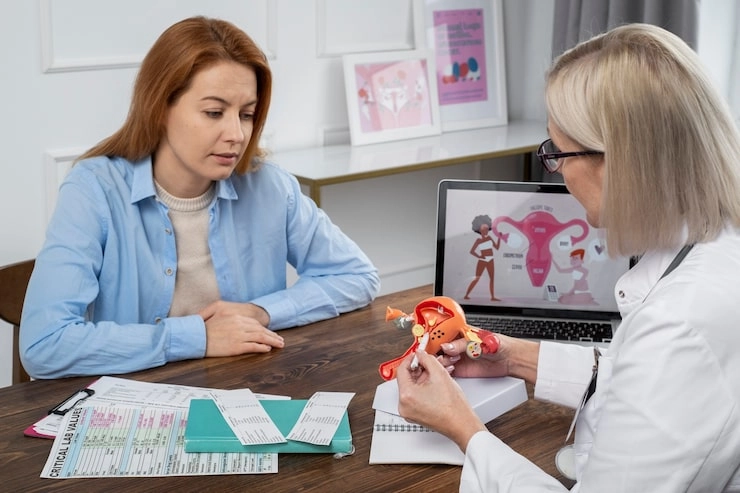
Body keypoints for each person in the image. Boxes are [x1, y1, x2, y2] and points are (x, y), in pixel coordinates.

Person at [395, 23, 740, 492]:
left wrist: (462, 427)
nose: (556, 173)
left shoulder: (680, 324)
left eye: (558, 152)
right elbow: (642, 384)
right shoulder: (708, 243)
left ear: (620, 161)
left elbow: (659, 366)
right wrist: (515, 358)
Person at [20, 16, 380, 379]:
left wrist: (260, 312)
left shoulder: (270, 187)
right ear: (160, 107)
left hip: (248, 393)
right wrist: (197, 337)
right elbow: (44, 344)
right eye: (213, 112)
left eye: (247, 114)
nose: (236, 134)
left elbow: (357, 275)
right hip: (138, 410)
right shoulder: (94, 190)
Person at [463, 214, 501, 301]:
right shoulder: (478, 240)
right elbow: (472, 251)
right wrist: (479, 256)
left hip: (490, 260)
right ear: (479, 230)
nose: (486, 230)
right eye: (484, 229)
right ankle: (467, 295)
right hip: (482, 261)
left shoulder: (490, 238)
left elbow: (497, 247)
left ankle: (492, 297)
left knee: (492, 279)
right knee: (477, 278)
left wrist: (499, 238)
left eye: (487, 229)